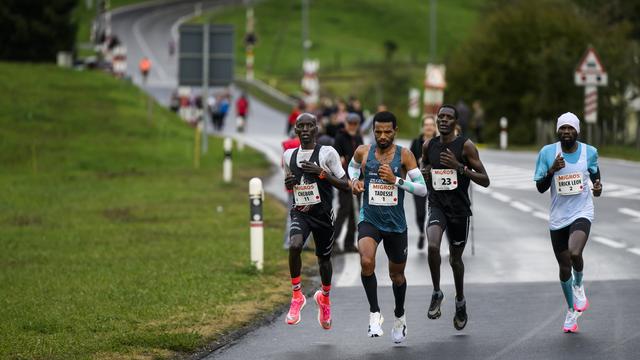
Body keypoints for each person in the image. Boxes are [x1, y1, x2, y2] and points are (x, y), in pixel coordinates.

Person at [349, 111, 427, 343]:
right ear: (372, 130)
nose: (382, 136)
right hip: (369, 219)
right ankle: (375, 313)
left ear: (396, 131)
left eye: (387, 131)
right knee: (366, 262)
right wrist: (354, 181)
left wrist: (397, 181)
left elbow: (422, 189)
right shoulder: (363, 152)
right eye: (378, 131)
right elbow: (352, 169)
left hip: (395, 224)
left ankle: (400, 316)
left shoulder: (405, 155)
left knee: (397, 276)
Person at [421, 104, 490, 331]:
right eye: (440, 117)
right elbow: (424, 165)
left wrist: (460, 168)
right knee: (433, 246)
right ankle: (436, 292)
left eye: (448, 117)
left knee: (455, 260)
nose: (443, 120)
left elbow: (485, 179)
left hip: (459, 211)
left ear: (455, 123)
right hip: (437, 205)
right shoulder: (428, 145)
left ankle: (460, 301)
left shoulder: (466, 146)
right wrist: (425, 172)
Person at [533, 112, 602, 333]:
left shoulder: (589, 153)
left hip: (582, 211)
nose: (566, 132)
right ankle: (572, 310)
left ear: (577, 131)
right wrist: (552, 169)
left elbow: (596, 179)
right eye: (562, 128)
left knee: (574, 253)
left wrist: (598, 187)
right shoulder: (547, 153)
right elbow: (541, 188)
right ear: (558, 131)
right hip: (558, 217)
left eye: (570, 128)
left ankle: (579, 285)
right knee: (564, 268)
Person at [283, 113, 350, 330]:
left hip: (323, 216)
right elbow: (291, 184)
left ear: (316, 129)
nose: (304, 130)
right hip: (300, 212)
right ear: (295, 130)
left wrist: (322, 173)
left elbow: (345, 183)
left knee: (323, 260)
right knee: (294, 246)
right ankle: (297, 296)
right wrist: (290, 182)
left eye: (309, 126)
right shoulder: (288, 155)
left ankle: (325, 298)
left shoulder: (327, 153)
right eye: (300, 126)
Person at [333, 113, 364, 253]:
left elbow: (362, 159)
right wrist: (345, 181)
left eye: (355, 124)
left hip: (357, 181)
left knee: (354, 213)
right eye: (350, 123)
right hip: (344, 180)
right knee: (344, 210)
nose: (352, 126)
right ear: (346, 123)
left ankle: (349, 243)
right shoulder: (339, 137)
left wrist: (362, 179)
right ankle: (332, 242)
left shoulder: (359, 138)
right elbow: (336, 160)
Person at [410, 115, 437, 250]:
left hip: (435, 182)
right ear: (423, 127)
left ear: (435, 127)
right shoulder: (416, 142)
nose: (429, 127)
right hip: (419, 181)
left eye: (431, 125)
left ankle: (433, 235)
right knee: (420, 212)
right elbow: (409, 161)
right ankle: (421, 232)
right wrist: (419, 162)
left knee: (435, 211)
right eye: (426, 125)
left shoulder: (439, 141)